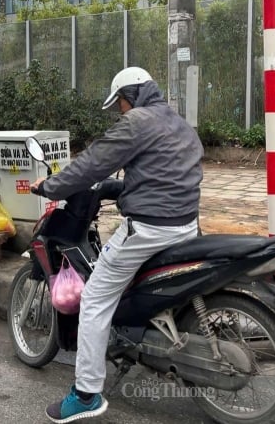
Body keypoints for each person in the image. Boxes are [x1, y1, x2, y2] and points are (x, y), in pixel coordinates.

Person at [30, 66, 203, 423]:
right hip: (187, 225)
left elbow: (92, 164)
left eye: (120, 103)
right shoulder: (177, 122)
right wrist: (127, 189)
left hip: (151, 228)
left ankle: (86, 394)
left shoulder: (136, 122)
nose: (121, 110)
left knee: (94, 298)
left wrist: (49, 186)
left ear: (130, 96)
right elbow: (165, 173)